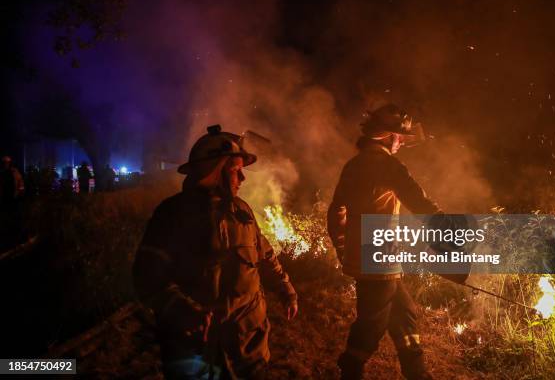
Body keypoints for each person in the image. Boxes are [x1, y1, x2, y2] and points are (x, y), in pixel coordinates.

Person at [133, 124, 298, 379]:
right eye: (236, 171)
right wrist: (183, 310)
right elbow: (147, 278)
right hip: (195, 354)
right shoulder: (172, 215)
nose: (242, 179)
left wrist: (285, 288)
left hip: (248, 349)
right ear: (213, 172)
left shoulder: (242, 211)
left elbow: (264, 254)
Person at [327, 104, 440, 380]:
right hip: (380, 259)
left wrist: (344, 248)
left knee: (404, 313)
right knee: (372, 322)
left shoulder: (354, 165)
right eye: (399, 137)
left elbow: (336, 210)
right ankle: (350, 370)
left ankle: (417, 372)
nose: (401, 142)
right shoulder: (387, 164)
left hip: (369, 258)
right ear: (387, 136)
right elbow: (419, 201)